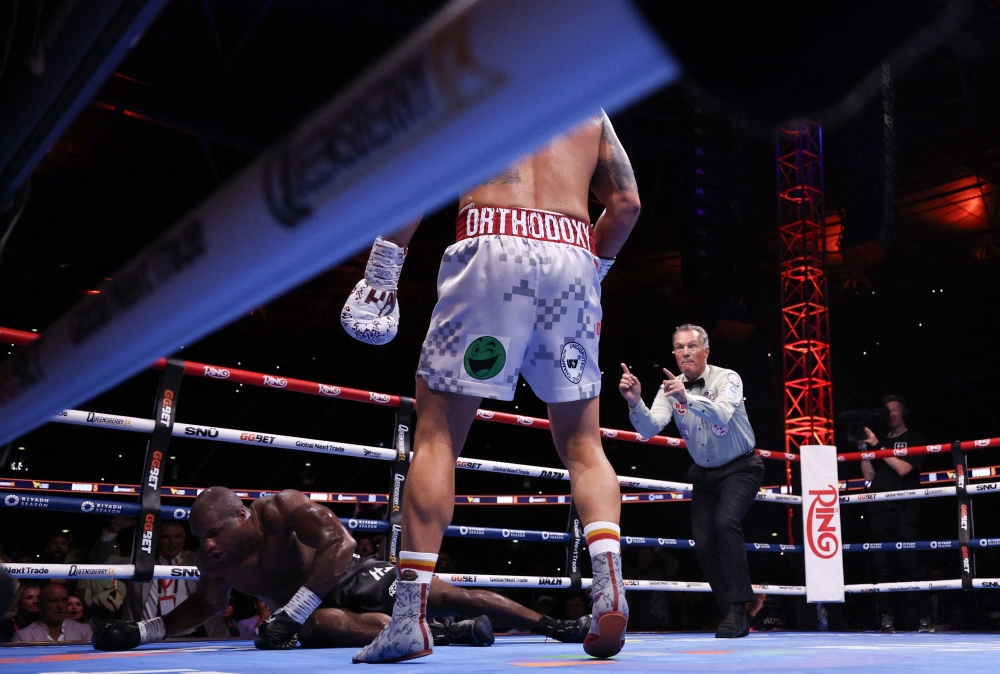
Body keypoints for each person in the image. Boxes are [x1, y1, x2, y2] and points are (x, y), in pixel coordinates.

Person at [345, 110, 640, 663]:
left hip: (490, 244)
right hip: (573, 254)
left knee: (436, 440)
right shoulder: (591, 105)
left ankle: (409, 620)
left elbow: (420, 180)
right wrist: (589, 270)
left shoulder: (475, 78)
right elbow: (626, 205)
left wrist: (381, 273)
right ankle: (608, 587)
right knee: (584, 445)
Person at [92, 487, 588, 652]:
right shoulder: (213, 560)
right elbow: (205, 606)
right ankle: (443, 636)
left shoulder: (281, 509)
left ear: (241, 515)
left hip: (349, 575)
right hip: (311, 614)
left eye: (216, 534)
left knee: (444, 591)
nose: (210, 546)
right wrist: (141, 632)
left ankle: (556, 627)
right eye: (204, 540)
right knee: (323, 624)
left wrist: (294, 606)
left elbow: (341, 542)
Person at [619, 324, 763, 638]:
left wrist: (688, 398)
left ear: (706, 351)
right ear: (674, 353)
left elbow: (723, 414)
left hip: (742, 467)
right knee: (704, 541)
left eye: (692, 346)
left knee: (726, 523)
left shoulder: (728, 378)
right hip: (704, 474)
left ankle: (740, 606)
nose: (685, 352)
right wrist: (634, 402)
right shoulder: (669, 388)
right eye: (680, 347)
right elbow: (648, 428)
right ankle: (733, 614)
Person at [858, 394, 928, 633]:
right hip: (879, 510)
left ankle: (922, 617)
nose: (890, 414)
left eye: (894, 410)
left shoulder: (914, 439)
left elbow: (903, 468)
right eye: (886, 410)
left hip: (905, 509)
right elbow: (869, 476)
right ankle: (886, 618)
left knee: (910, 563)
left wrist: (878, 445)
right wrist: (864, 449)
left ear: (903, 413)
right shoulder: (881, 443)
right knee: (882, 566)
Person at [90, 516, 228, 637]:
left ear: (184, 539)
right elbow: (98, 561)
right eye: (166, 536)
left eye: (177, 536)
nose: (172, 541)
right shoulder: (139, 564)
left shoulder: (198, 562)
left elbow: (226, 568)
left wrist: (230, 600)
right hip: (146, 637)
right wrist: (115, 527)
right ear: (156, 539)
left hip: (193, 636)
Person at [11, 584, 93, 642]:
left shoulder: (84, 630)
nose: (60, 606)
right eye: (53, 601)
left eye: (64, 600)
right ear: (40, 605)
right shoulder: (23, 636)